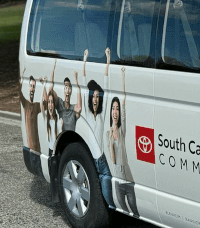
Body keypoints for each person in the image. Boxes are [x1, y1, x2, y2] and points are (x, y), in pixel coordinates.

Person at [81, 48, 115, 210]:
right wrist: (85, 59)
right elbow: (83, 81)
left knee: (110, 201)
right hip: (93, 158)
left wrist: (108, 60)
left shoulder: (101, 115)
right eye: (93, 96)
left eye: (97, 96)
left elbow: (107, 86)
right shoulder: (87, 114)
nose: (95, 99)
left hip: (103, 161)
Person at [107, 66, 139, 217]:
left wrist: (123, 77)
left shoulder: (122, 130)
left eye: (117, 109)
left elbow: (124, 99)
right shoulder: (108, 134)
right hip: (118, 181)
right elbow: (112, 159)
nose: (115, 111)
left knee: (135, 211)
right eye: (113, 108)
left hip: (128, 179)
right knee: (123, 211)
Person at [46, 59, 82, 135]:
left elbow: (79, 108)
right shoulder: (60, 104)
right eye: (65, 87)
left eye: (69, 88)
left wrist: (77, 82)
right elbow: (50, 91)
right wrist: (53, 68)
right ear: (63, 90)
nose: (67, 90)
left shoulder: (73, 109)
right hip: (61, 140)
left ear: (71, 91)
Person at [19, 68, 43, 154]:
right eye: (31, 86)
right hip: (29, 148)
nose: (32, 89)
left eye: (34, 86)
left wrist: (43, 85)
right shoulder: (26, 104)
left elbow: (46, 103)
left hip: (37, 148)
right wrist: (21, 77)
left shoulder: (36, 106)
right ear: (28, 87)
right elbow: (18, 92)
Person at [40, 79, 59, 154]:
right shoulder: (46, 119)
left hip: (57, 151)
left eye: (52, 102)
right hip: (50, 151)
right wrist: (43, 85)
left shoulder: (57, 118)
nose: (50, 105)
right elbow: (41, 104)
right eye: (49, 102)